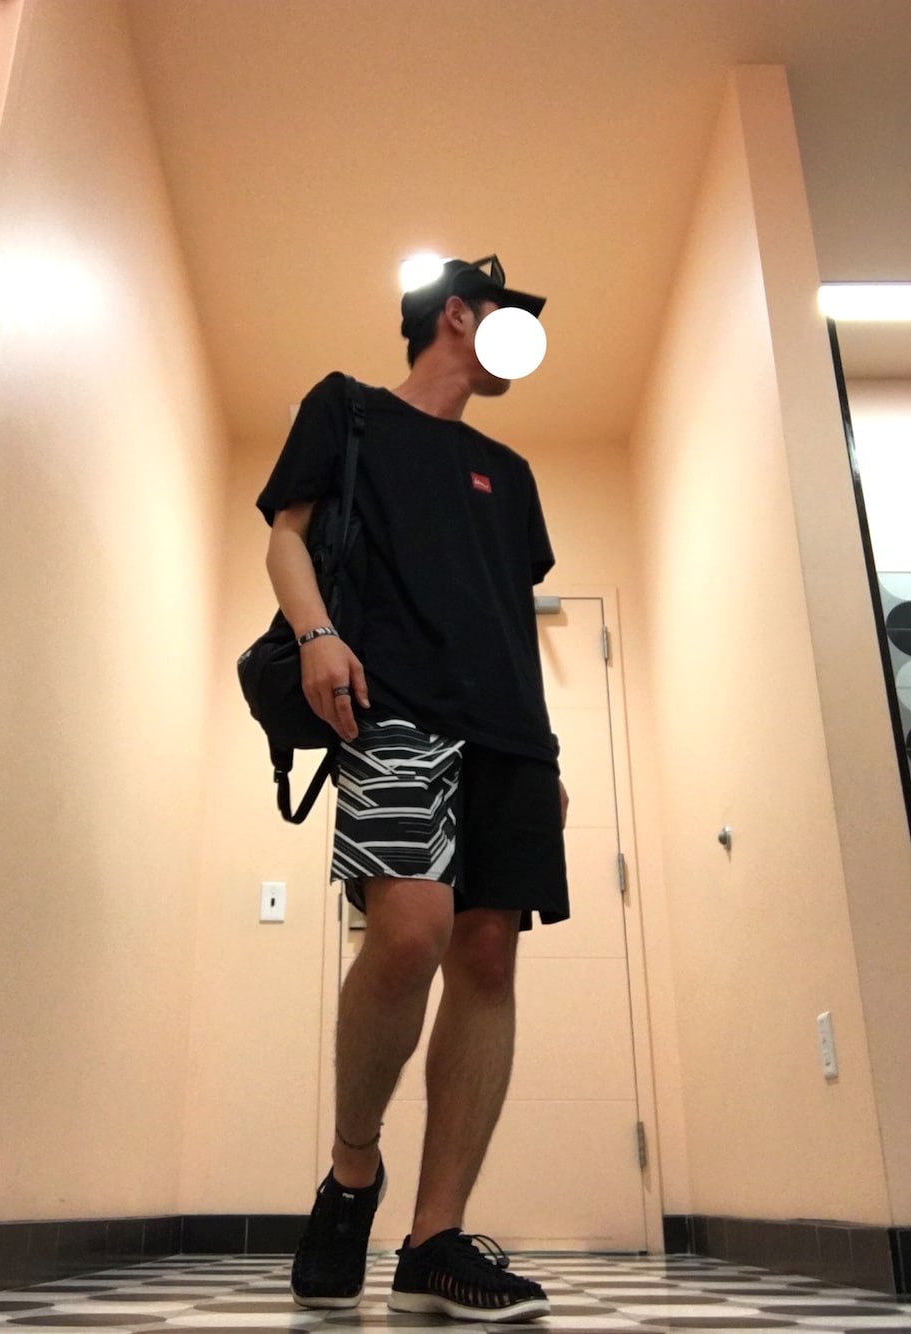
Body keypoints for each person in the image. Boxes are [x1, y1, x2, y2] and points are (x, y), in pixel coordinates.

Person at [257, 255, 569, 1322]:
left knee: (488, 954)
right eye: (511, 319)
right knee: (407, 935)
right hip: (392, 704)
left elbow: (512, 619)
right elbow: (286, 536)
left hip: (510, 735)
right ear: (459, 316)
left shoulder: (509, 472)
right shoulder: (347, 411)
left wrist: (547, 753)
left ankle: (433, 1240)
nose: (522, 342)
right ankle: (353, 1172)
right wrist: (316, 634)